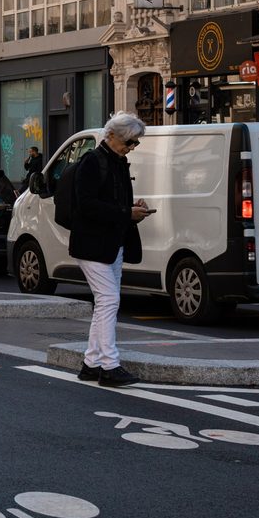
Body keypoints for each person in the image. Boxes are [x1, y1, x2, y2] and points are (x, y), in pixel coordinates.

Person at [69, 113, 151, 388]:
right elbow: (87, 205)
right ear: (112, 134)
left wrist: (133, 207)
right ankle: (110, 365)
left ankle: (91, 364)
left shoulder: (118, 162)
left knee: (105, 303)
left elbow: (113, 202)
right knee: (108, 301)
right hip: (93, 243)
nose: (132, 147)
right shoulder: (93, 161)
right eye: (130, 141)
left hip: (112, 243)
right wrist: (127, 212)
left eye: (135, 143)